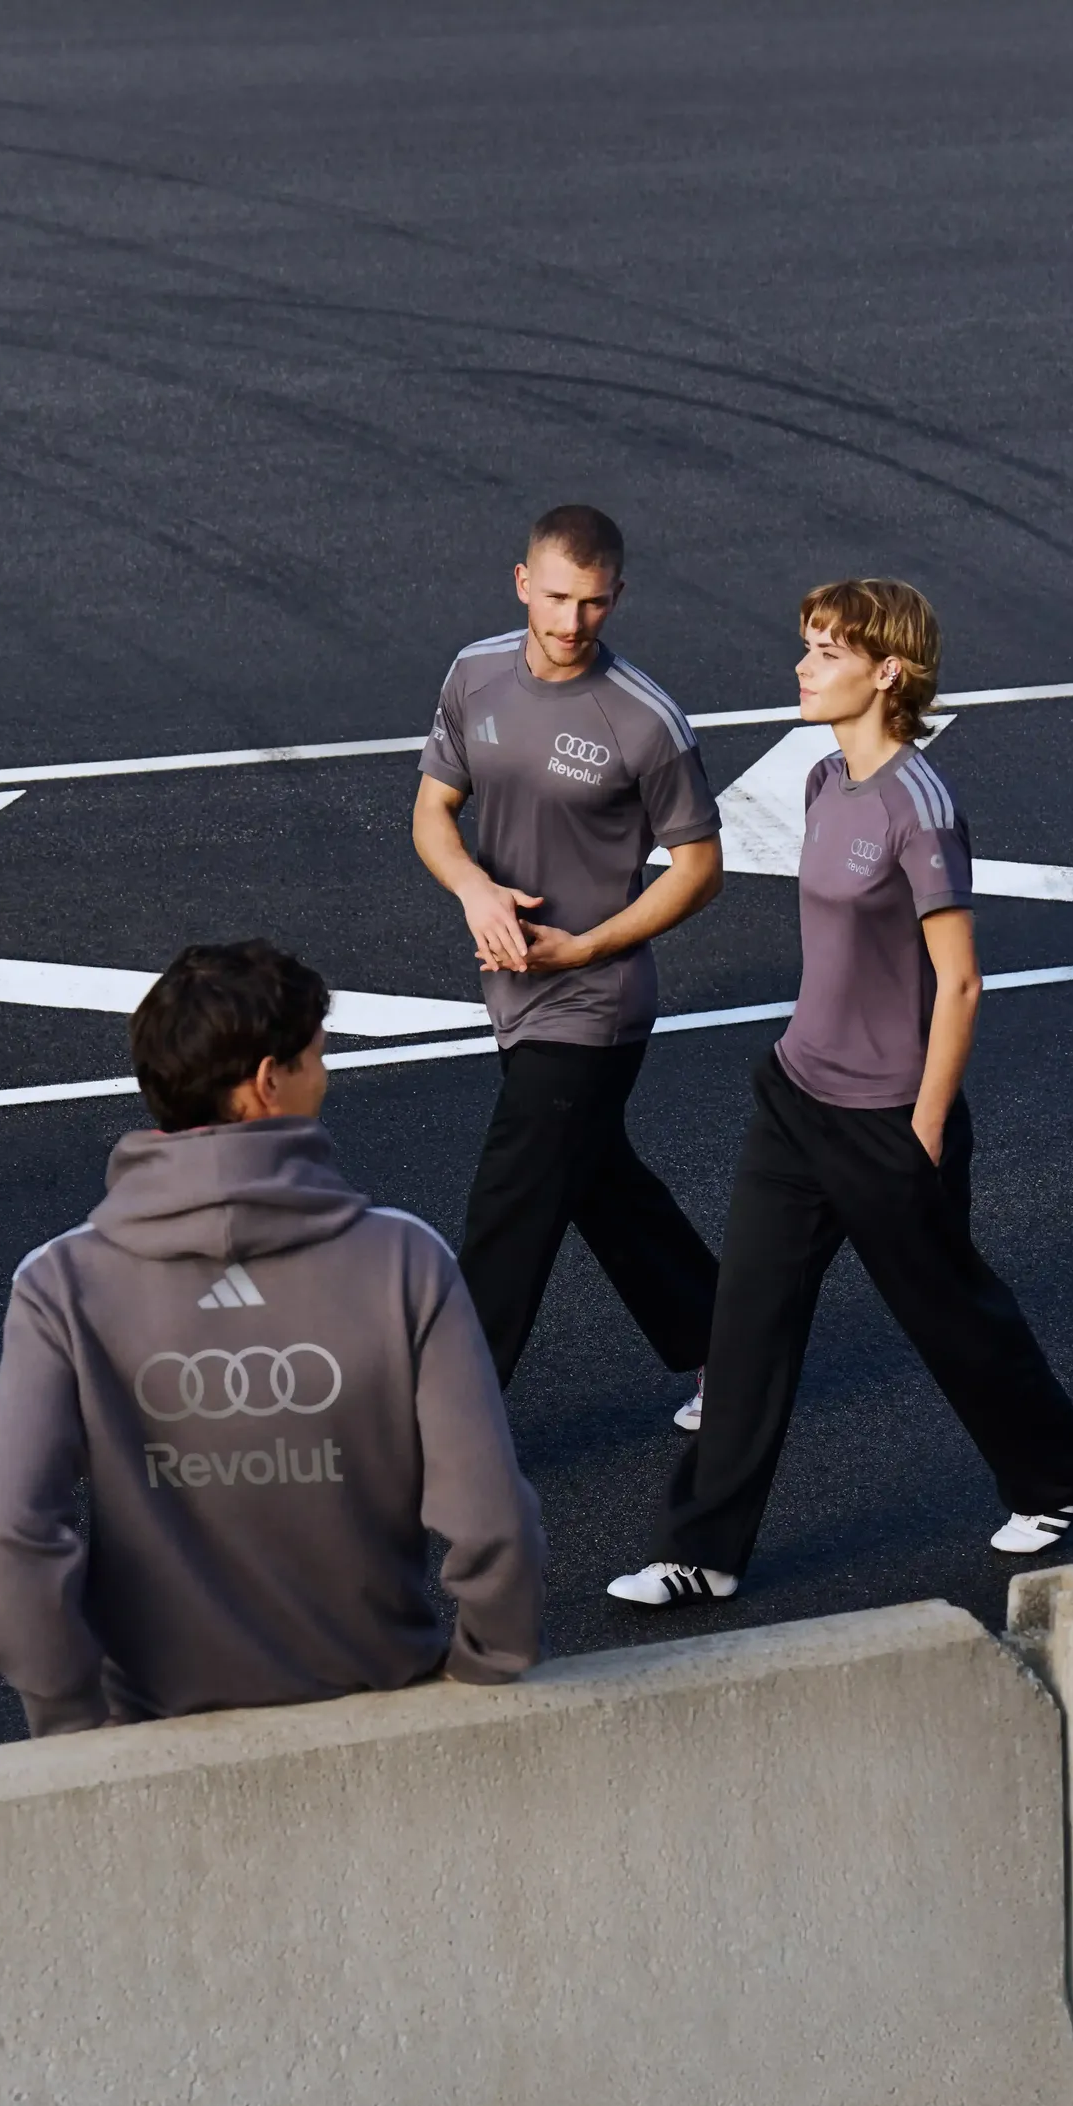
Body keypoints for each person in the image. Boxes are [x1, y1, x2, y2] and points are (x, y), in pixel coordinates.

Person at [608, 579, 1073, 1609]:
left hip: (890, 1119)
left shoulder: (920, 807)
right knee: (744, 1325)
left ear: (887, 671)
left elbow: (960, 980)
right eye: (806, 646)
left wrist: (924, 1129)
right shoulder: (823, 780)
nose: (801, 666)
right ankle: (702, 1548)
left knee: (949, 1317)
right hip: (796, 1098)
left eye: (825, 652)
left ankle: (1060, 1474)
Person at [0, 939, 545, 1733]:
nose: (325, 1077)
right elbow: (492, 1521)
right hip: (380, 1702)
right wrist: (485, 1664)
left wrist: (73, 1726)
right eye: (315, 1058)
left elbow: (12, 1538)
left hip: (151, 1721)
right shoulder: (404, 1259)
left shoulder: (60, 1283)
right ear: (267, 1084)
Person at [412, 503, 723, 1419]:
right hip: (511, 985)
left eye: (592, 604)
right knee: (599, 1184)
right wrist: (473, 887)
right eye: (555, 597)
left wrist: (585, 945)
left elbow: (701, 871)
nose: (570, 622)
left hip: (596, 1001)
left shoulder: (643, 719)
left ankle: (442, 1423)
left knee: (512, 1206)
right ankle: (728, 1346)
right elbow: (434, 813)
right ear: (522, 582)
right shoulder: (475, 674)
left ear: (616, 596)